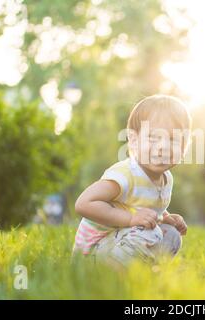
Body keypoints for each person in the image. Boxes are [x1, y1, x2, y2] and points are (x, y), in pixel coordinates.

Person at [73, 94, 192, 267]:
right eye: (153, 137)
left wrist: (164, 217)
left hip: (120, 241)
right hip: (92, 252)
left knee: (171, 234)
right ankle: (111, 277)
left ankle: (140, 275)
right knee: (151, 234)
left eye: (173, 139)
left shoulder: (166, 178)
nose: (163, 146)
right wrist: (130, 219)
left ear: (184, 146)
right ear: (134, 141)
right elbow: (83, 203)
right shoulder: (125, 174)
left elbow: (142, 205)